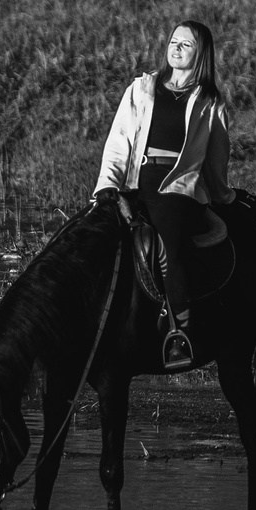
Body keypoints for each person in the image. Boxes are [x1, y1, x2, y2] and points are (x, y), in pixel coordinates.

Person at [90, 20, 230, 372]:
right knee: (92, 231)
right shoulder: (142, 88)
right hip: (139, 179)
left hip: (178, 186)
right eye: (173, 41)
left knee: (168, 239)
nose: (176, 47)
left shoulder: (210, 102)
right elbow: (119, 141)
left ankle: (180, 330)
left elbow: (215, 161)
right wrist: (107, 185)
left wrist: (222, 197)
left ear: (201, 55)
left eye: (186, 44)